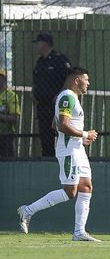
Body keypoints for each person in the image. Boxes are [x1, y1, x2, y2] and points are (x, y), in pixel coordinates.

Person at [18, 67, 100, 241]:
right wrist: (85, 134)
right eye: (86, 79)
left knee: (86, 187)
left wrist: (80, 140)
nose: (88, 83)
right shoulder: (67, 97)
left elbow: (54, 125)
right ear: (76, 80)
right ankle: (27, 210)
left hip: (77, 148)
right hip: (69, 151)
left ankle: (79, 232)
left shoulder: (72, 98)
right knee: (70, 191)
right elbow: (62, 125)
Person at [32, 32, 71, 157]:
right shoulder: (40, 62)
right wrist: (34, 93)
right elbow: (36, 80)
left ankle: (65, 160)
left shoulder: (59, 60)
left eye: (38, 43)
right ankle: (47, 159)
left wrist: (60, 95)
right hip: (43, 106)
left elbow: (70, 80)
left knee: (62, 135)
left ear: (45, 44)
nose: (36, 46)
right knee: (46, 137)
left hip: (57, 106)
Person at [0, 69, 20, 157]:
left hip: (6, 136)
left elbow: (15, 118)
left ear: (4, 79)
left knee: (7, 161)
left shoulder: (11, 96)